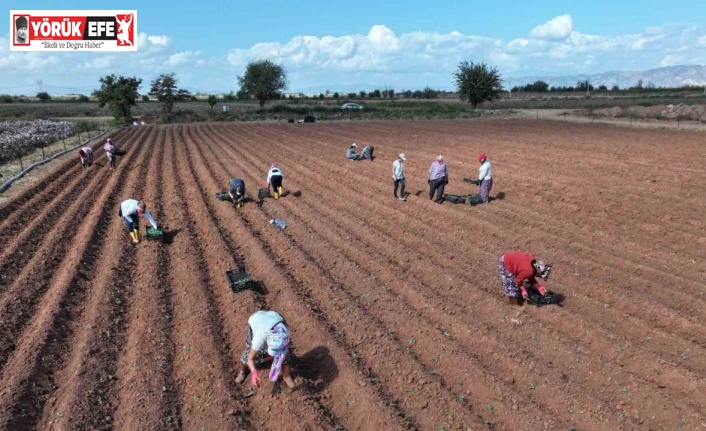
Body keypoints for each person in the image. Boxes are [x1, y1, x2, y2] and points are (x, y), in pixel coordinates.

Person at [235, 310, 295, 389]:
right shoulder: (259, 337)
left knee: (285, 354)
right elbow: (250, 358)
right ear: (267, 341)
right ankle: (243, 371)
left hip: (274, 317)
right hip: (256, 319)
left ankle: (286, 376)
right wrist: (254, 372)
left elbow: (284, 350)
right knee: (248, 350)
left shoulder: (284, 333)